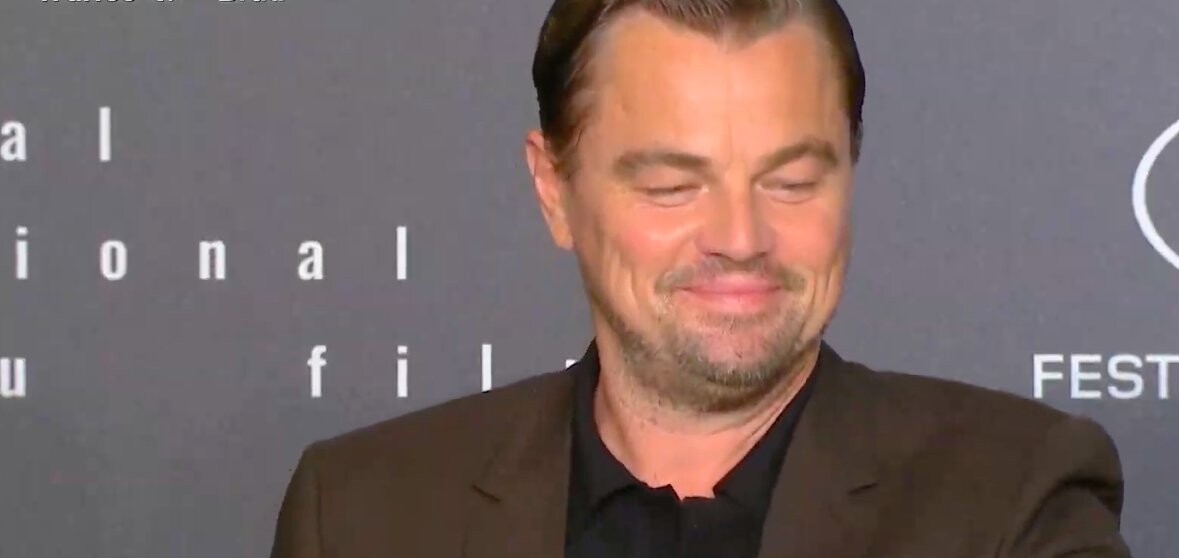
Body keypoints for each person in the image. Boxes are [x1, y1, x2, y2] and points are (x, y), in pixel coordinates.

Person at [269, 1, 1132, 557]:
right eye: (671, 187)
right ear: (554, 191)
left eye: (791, 181)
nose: (739, 238)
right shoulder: (359, 516)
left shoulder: (1011, 505)